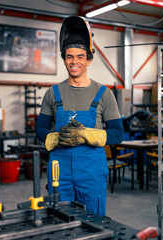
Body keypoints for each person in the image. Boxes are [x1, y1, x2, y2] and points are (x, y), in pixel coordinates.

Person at [35, 16, 124, 216]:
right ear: (64, 59)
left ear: (89, 59)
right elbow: (40, 129)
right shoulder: (53, 93)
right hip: (60, 173)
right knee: (59, 221)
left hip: (91, 174)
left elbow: (118, 134)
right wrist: (55, 137)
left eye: (80, 56)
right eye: (69, 57)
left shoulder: (104, 94)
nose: (74, 62)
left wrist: (87, 135)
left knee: (94, 225)